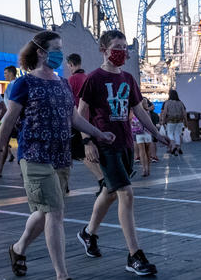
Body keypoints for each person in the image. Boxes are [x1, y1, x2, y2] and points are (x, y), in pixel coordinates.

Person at [0, 31, 115, 279]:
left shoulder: (62, 83)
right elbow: (8, 120)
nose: (60, 53)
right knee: (56, 213)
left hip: (61, 156)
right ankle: (62, 275)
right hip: (35, 155)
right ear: (41, 52)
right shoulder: (23, 83)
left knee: (45, 211)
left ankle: (18, 249)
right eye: (56, 48)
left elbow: (74, 118)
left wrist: (98, 134)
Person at [76, 30, 170, 276]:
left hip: (126, 144)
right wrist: (88, 141)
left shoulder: (128, 79)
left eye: (125, 47)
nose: (122, 51)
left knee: (110, 191)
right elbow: (81, 111)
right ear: (103, 49)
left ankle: (88, 233)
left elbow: (139, 111)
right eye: (117, 46)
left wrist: (157, 134)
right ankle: (134, 255)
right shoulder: (94, 78)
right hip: (104, 143)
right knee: (126, 193)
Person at [65, 53, 106, 195]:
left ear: (70, 65)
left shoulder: (72, 80)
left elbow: (67, 102)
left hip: (76, 123)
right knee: (68, 154)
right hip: (89, 122)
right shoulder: (88, 78)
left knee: (82, 154)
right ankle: (64, 184)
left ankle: (102, 179)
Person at [0, 65, 19, 175]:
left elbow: (9, 106)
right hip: (18, 120)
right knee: (21, 145)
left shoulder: (10, 87)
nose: (4, 75)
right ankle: (24, 170)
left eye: (5, 73)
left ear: (11, 73)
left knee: (3, 145)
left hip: (9, 120)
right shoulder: (19, 84)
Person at [160, 90, 188, 156]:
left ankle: (173, 147)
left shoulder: (167, 103)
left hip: (170, 121)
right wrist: (186, 122)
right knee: (177, 134)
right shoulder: (180, 103)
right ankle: (178, 148)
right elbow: (184, 113)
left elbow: (165, 112)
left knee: (170, 134)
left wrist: (163, 121)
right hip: (180, 121)